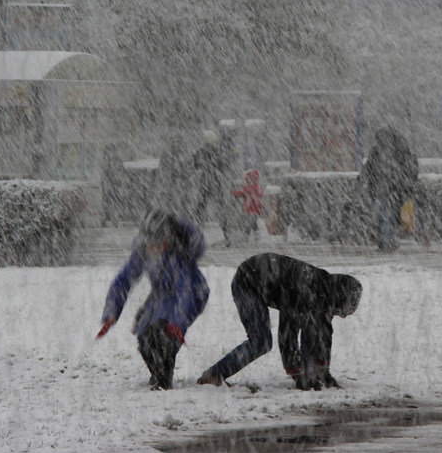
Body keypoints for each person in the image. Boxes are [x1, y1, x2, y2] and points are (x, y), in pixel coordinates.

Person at [196, 253, 363, 389]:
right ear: (338, 298)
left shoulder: (324, 294)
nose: (341, 316)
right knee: (261, 341)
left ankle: (215, 374)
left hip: (263, 274)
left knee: (314, 323)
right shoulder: (306, 289)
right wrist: (299, 374)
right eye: (341, 312)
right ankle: (214, 375)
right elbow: (287, 334)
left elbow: (322, 333)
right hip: (247, 282)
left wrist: (322, 372)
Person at [96, 209, 210, 390]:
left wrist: (178, 322)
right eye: (151, 243)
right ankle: (157, 372)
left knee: (164, 332)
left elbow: (185, 291)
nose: (154, 248)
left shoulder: (179, 256)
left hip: (193, 293)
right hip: (162, 294)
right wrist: (112, 312)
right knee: (144, 335)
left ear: (169, 239)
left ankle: (164, 378)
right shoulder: (143, 252)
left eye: (160, 243)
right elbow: (123, 280)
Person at [360, 126, 419, 252]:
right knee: (386, 217)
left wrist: (363, 178)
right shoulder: (391, 152)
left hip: (386, 190)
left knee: (384, 216)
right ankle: (386, 242)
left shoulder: (386, 152)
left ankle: (387, 242)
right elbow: (370, 167)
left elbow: (369, 167)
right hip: (389, 190)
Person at [191, 129, 238, 246]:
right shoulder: (217, 152)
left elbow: (195, 166)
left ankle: (197, 236)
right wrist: (233, 155)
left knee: (200, 210)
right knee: (220, 210)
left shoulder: (200, 152)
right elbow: (224, 165)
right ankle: (227, 235)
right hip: (215, 184)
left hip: (204, 183)